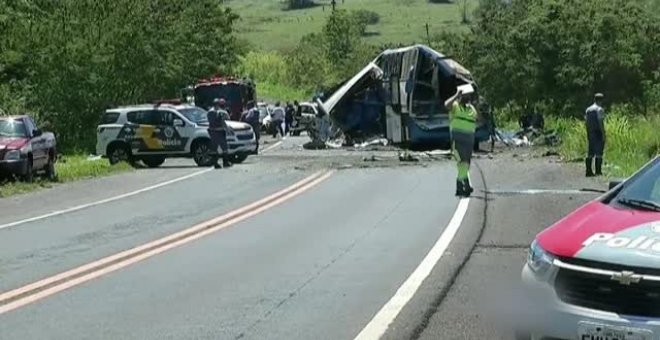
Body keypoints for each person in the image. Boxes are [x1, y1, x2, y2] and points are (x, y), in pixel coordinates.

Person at [445, 88, 479, 197]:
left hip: (469, 141)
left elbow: (478, 118)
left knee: (465, 163)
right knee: (462, 162)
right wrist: (456, 95)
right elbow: (446, 104)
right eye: (463, 96)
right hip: (458, 139)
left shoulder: (472, 109)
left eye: (467, 96)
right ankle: (462, 185)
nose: (466, 98)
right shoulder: (455, 106)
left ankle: (462, 186)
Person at [585, 93, 606, 177]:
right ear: (601, 100)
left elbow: (586, 122)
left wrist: (588, 132)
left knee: (590, 152)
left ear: (594, 99)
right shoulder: (600, 109)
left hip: (590, 132)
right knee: (599, 152)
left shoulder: (588, 109)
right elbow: (600, 122)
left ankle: (588, 171)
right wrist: (603, 133)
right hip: (598, 132)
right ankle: (598, 171)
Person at [207, 98, 231, 169]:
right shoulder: (219, 112)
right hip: (219, 131)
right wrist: (227, 129)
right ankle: (225, 162)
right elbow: (223, 121)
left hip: (212, 132)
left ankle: (215, 163)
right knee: (224, 148)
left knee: (214, 148)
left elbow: (210, 122)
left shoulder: (209, 112)